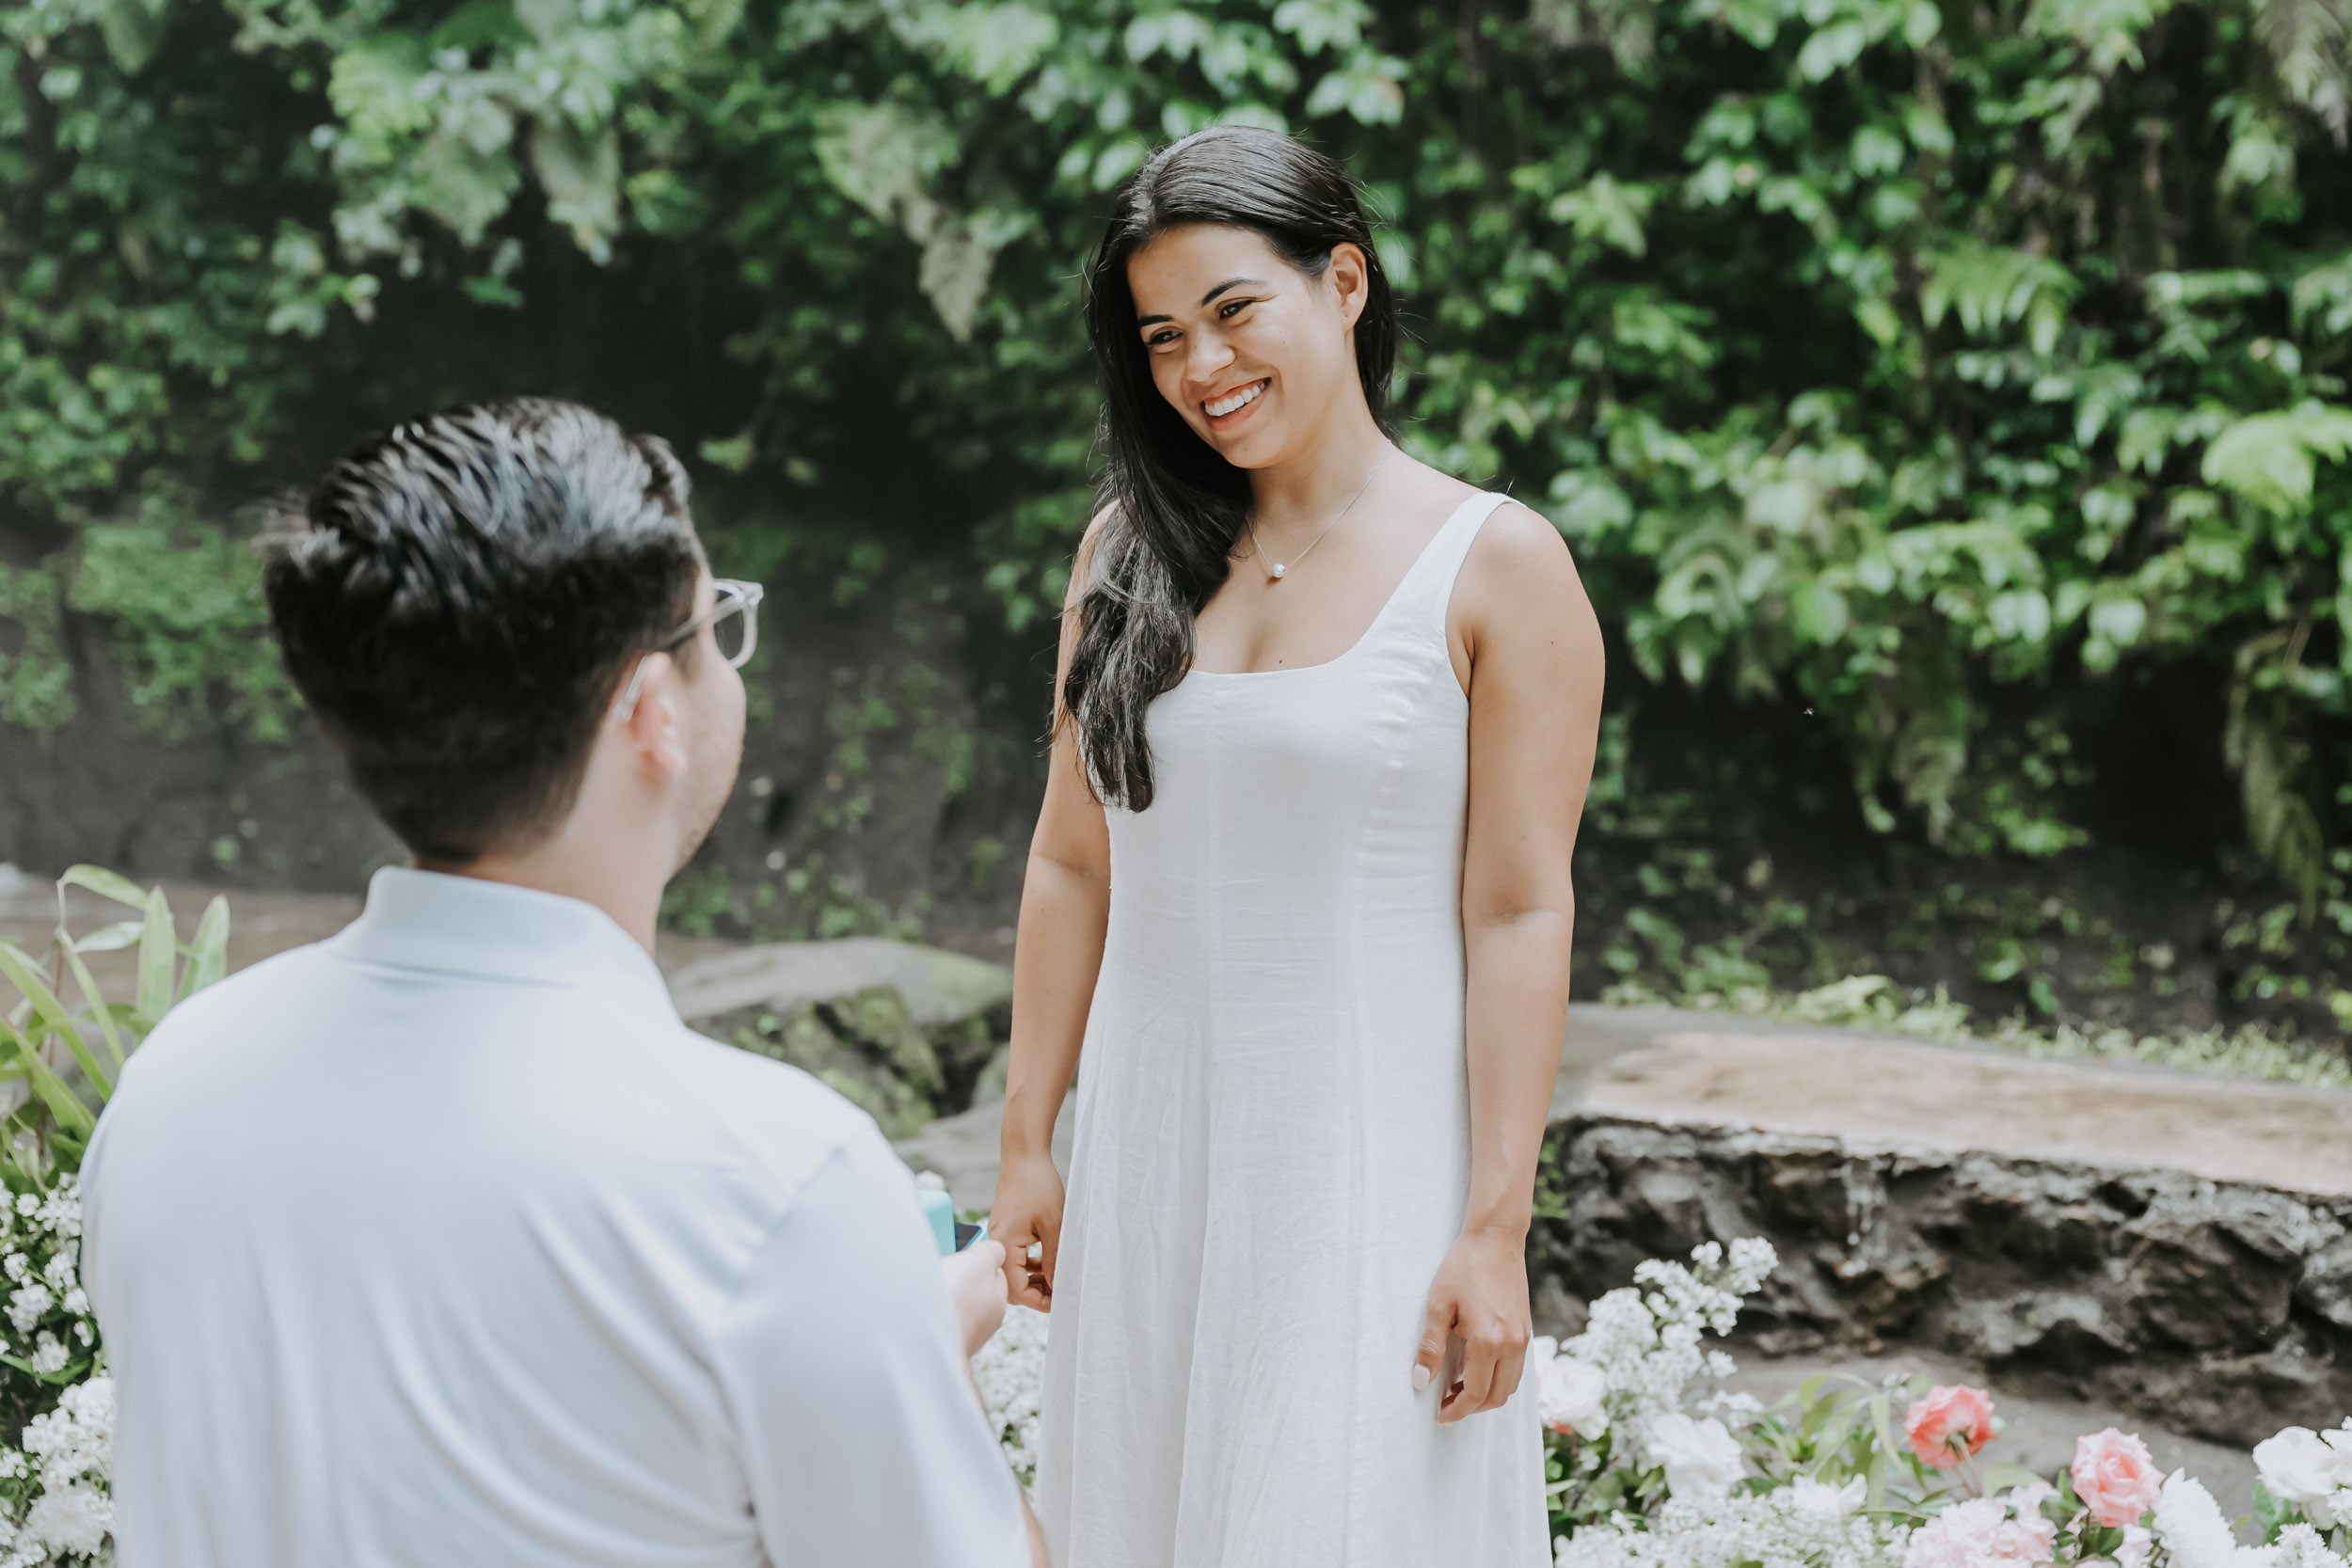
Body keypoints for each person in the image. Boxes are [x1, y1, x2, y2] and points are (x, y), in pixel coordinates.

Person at [80, 400, 1049, 1568]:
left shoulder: (174, 1088)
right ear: (653, 713)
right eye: (715, 626)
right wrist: (914, 1365)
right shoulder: (775, 1182)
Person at [986, 127, 1605, 1566]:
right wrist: (1028, 1134)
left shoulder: (1498, 563)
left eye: (1230, 311)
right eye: (1159, 338)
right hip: (1151, 1157)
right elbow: (1073, 860)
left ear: (1343, 280)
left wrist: (1495, 1227)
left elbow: (1519, 911)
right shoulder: (1122, 554)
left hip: (1361, 1170)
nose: (1200, 368)